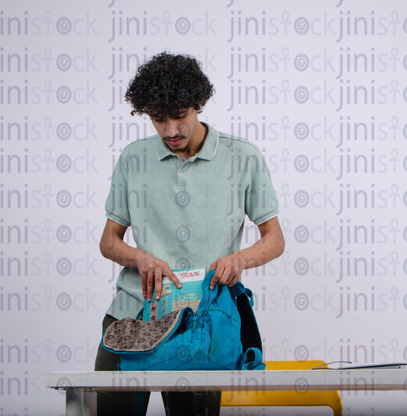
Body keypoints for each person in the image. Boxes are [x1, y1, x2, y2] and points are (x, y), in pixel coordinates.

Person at [94, 52, 285, 416]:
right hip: (132, 313)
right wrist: (140, 256)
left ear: (198, 104)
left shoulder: (243, 157)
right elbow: (109, 241)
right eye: (158, 119)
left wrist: (239, 259)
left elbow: (274, 239)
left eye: (179, 117)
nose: (170, 131)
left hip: (202, 321)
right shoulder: (133, 158)